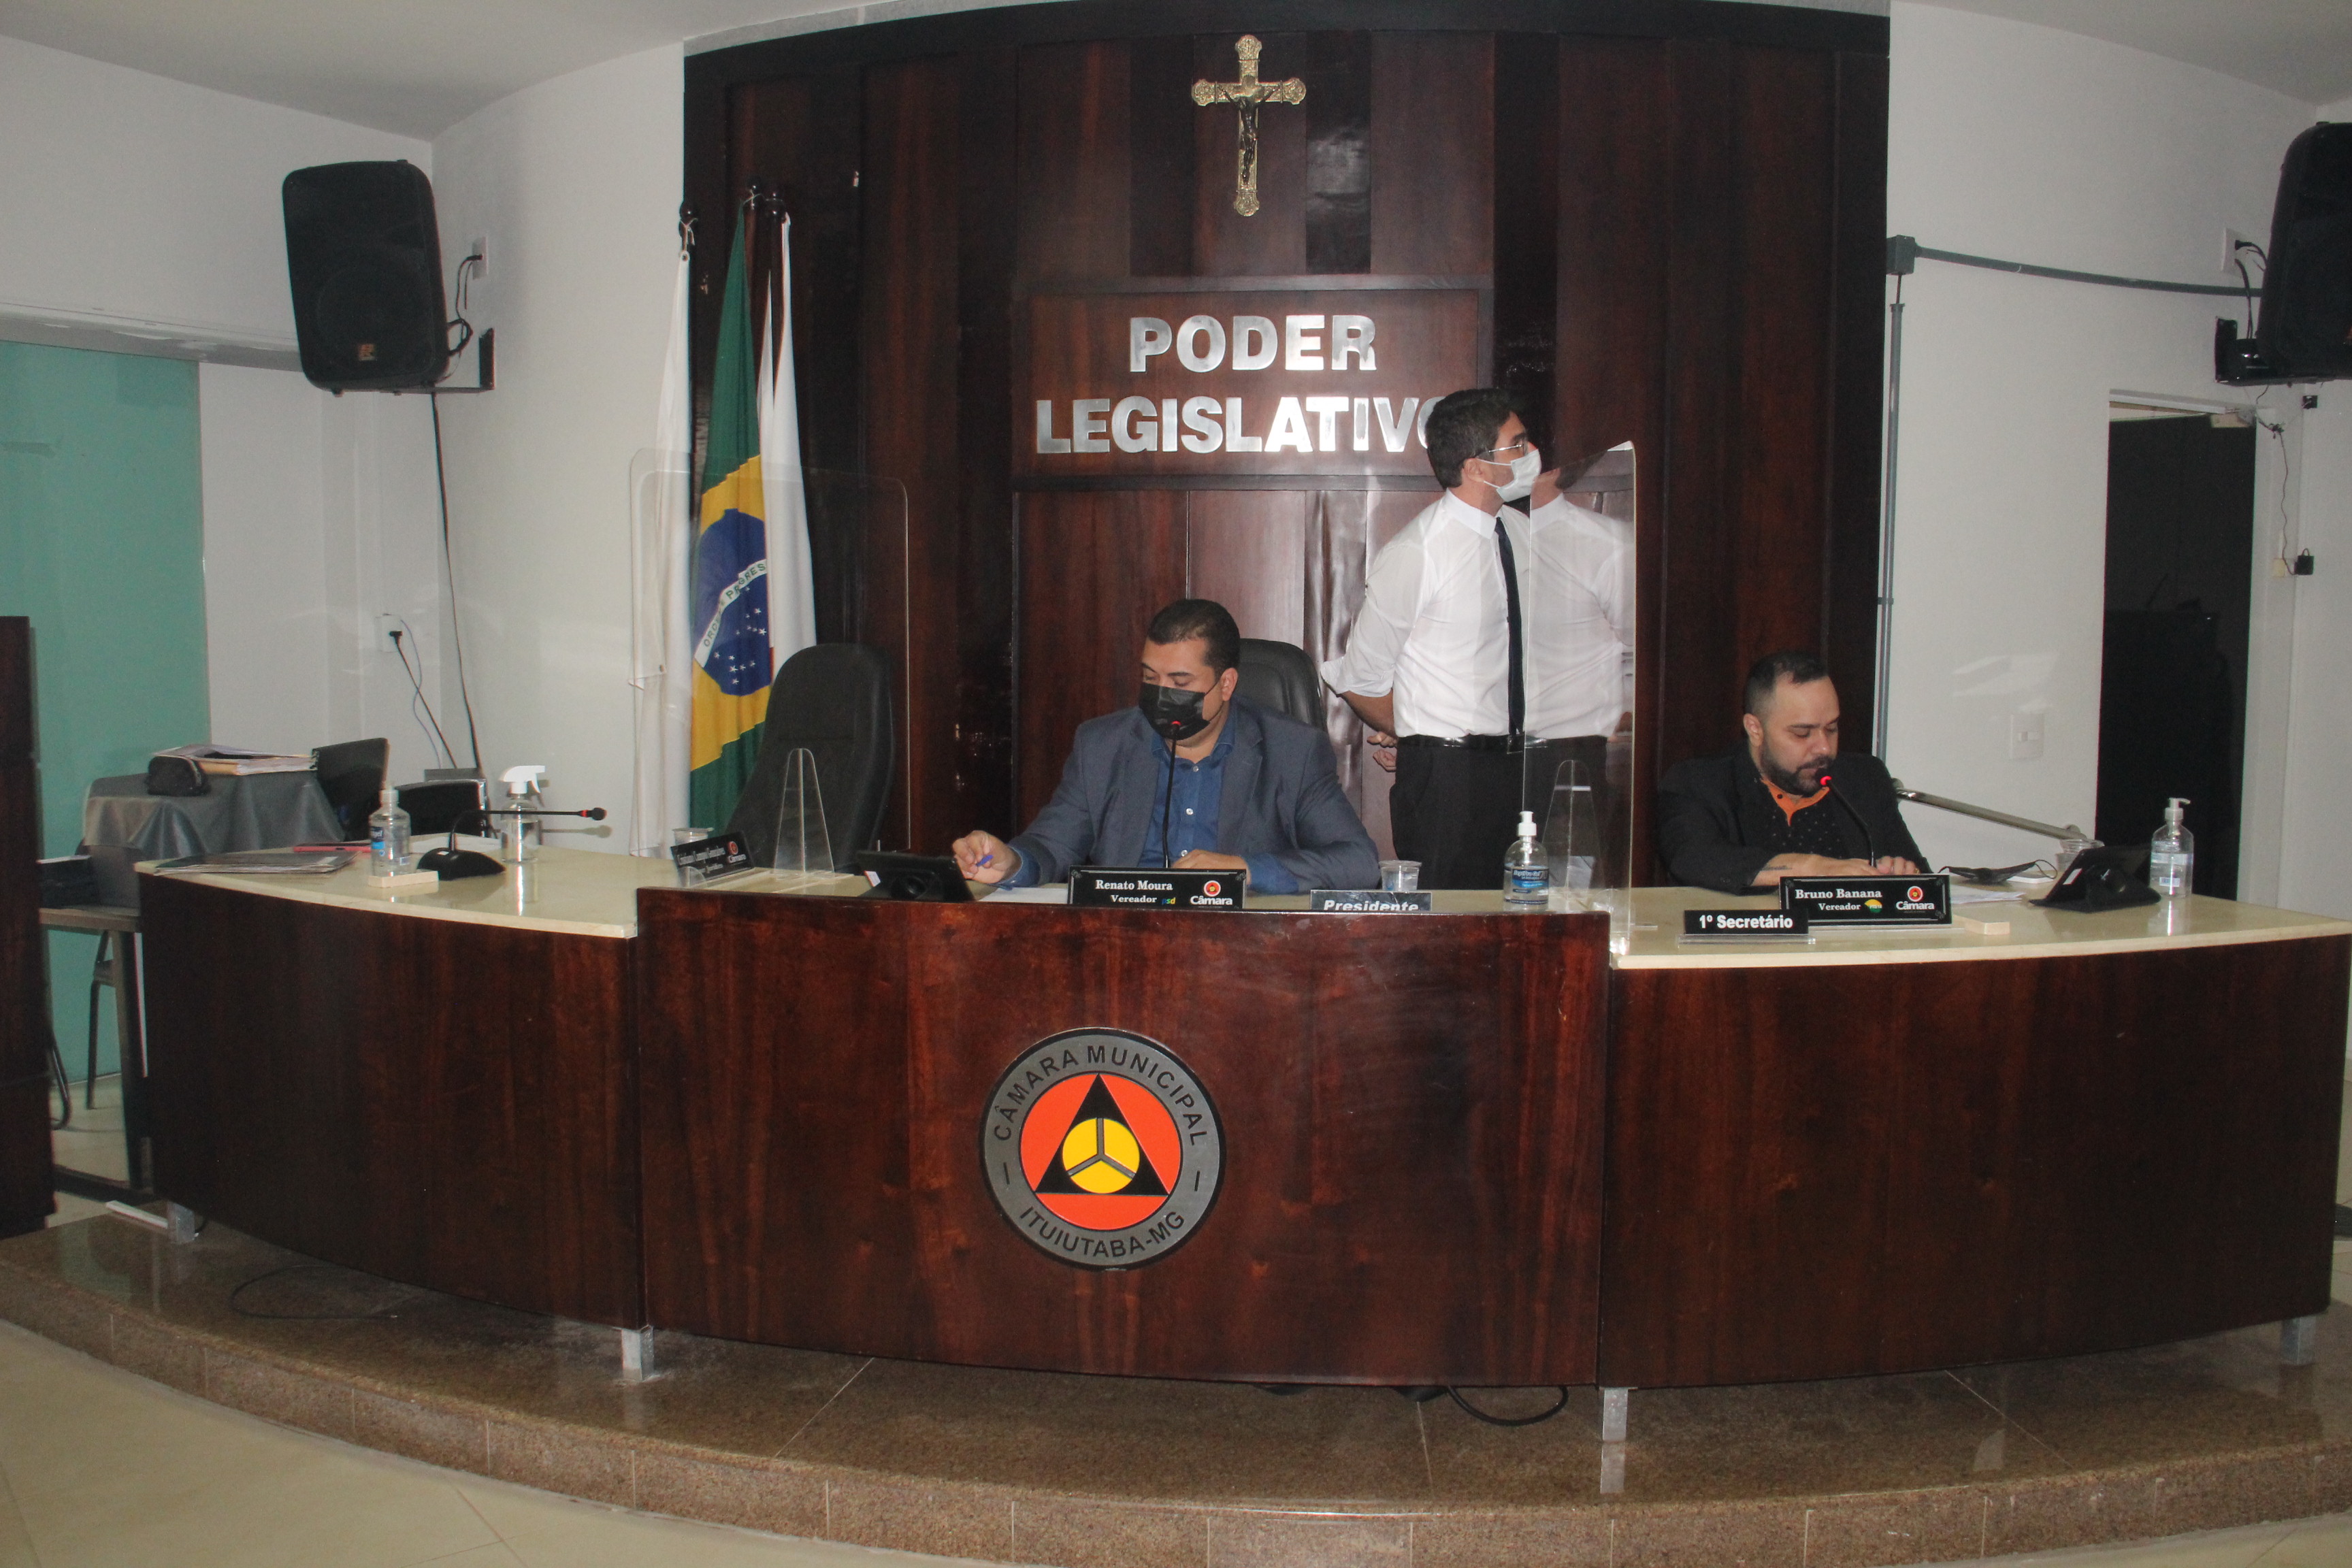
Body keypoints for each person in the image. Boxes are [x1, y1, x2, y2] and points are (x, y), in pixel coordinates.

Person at [1322, 388, 1629, 888]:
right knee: (1457, 920)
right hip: (1451, 780)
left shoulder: (1526, 533)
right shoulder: (1418, 552)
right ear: (1476, 467)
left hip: (1536, 765)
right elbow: (1360, 679)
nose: (1534, 454)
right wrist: (1421, 734)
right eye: (1518, 444)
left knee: (1538, 915)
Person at [952, 599, 1378, 892]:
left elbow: (1357, 862)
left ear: (1226, 684)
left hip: (1241, 943)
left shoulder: (1292, 751)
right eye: (1150, 678)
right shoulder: (1103, 746)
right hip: (1125, 938)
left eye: (1180, 682)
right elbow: (1052, 847)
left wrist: (1245, 870)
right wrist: (1011, 862)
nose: (1161, 695)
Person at [1656, 650, 1927, 894]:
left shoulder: (1863, 778)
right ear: (1755, 730)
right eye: (1802, 733)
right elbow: (1694, 858)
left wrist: (1903, 872)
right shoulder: (1698, 783)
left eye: (1832, 728)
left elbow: (1919, 874)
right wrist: (1815, 868)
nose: (1824, 748)